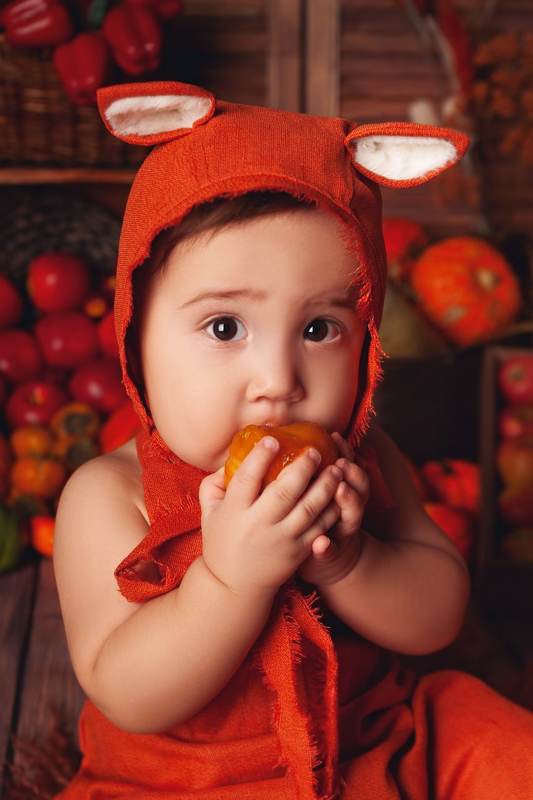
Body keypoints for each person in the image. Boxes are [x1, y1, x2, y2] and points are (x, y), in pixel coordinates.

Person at [51, 81, 533, 799]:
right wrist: (228, 583)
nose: (277, 380)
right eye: (224, 327)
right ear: (134, 337)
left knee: (500, 748)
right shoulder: (109, 496)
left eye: (318, 329)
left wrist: (350, 561)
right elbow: (126, 693)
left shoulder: (362, 460)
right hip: (192, 782)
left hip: (374, 740)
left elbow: (437, 616)